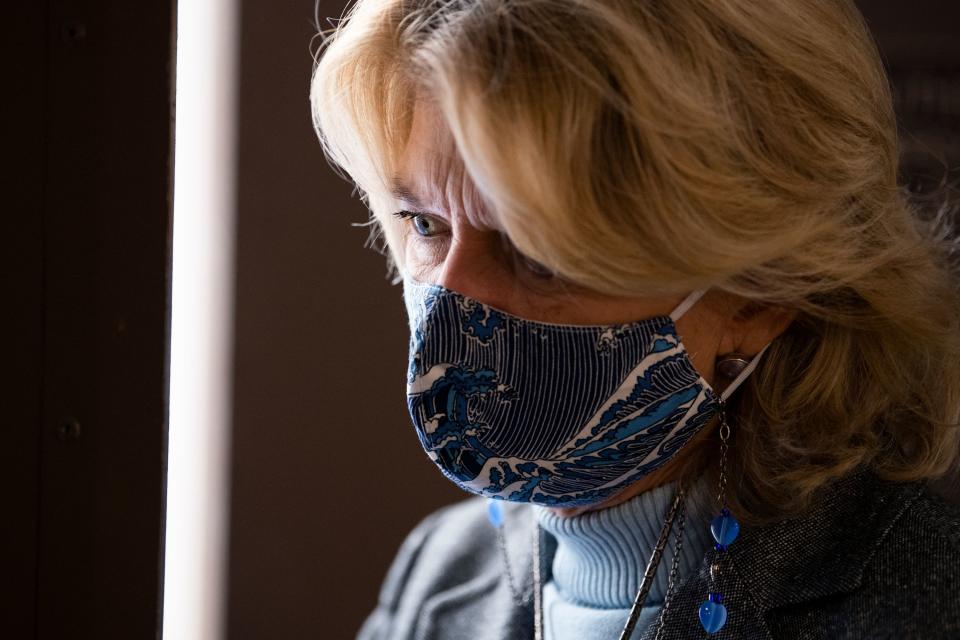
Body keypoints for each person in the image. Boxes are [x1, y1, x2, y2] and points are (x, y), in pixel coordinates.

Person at [309, 0, 960, 638]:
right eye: (426, 223)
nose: (454, 299)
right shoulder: (438, 575)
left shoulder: (922, 602)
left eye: (537, 254)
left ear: (759, 294)